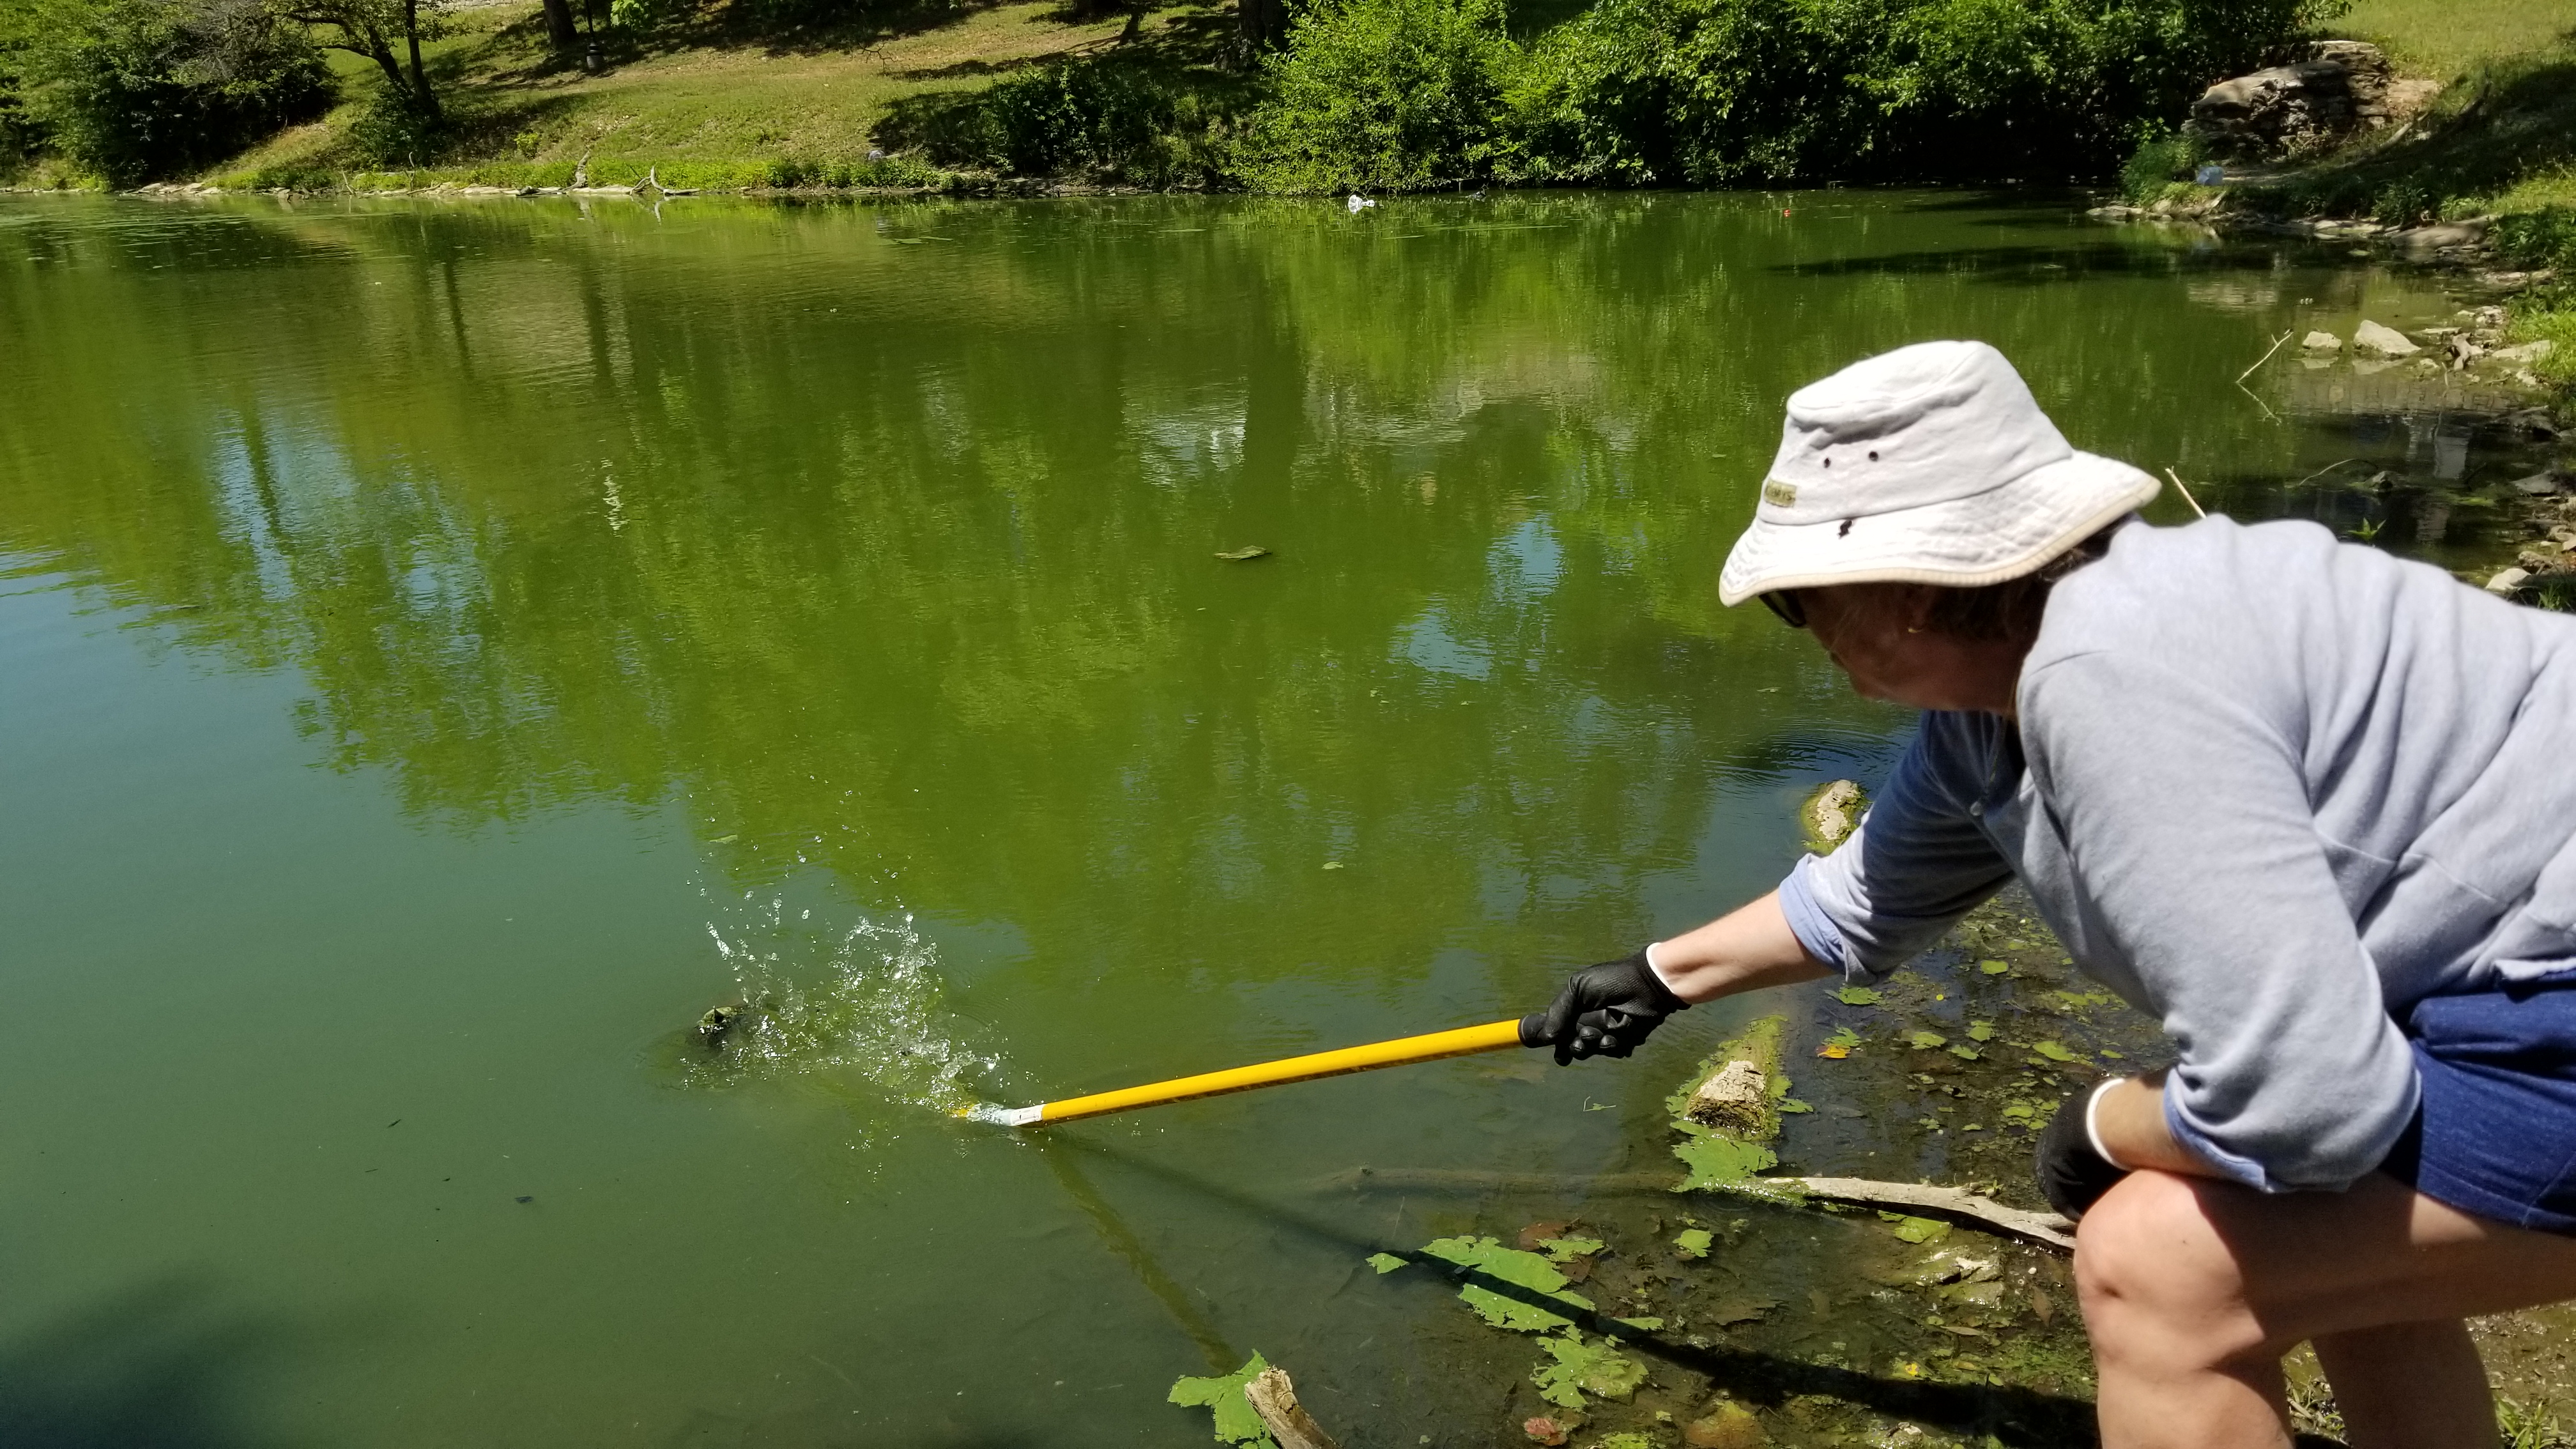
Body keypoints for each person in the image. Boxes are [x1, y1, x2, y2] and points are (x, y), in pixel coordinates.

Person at [1532, 339, 2576, 1449]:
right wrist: (1658, 978)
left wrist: (2107, 1122)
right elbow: (1866, 898)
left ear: (1910, 590)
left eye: (1801, 601)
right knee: (2323, 1255)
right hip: (2497, 993)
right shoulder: (2010, 694)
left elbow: (2309, 1105)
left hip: (2544, 1005)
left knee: (2156, 1267)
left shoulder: (2110, 679)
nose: (1803, 632)